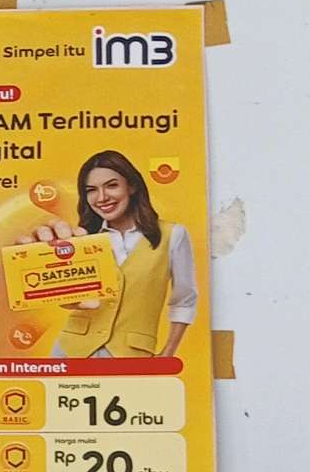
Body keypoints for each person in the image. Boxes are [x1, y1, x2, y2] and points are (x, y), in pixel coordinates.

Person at [42, 150, 196, 360]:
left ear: (132, 186)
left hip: (131, 353)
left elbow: (184, 300)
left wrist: (168, 353)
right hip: (71, 350)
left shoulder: (173, 235)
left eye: (112, 185)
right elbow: (66, 296)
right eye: (91, 190)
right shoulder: (82, 238)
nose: (102, 197)